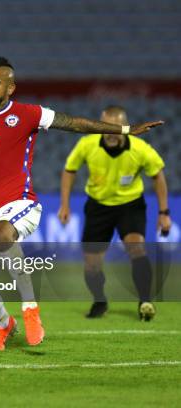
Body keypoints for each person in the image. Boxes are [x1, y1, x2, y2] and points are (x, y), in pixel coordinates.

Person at [0, 57, 162, 352]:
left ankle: (30, 309)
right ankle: (5, 325)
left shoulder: (29, 114)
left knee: (2, 232)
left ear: (10, 88)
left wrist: (126, 131)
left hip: (21, 203)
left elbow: (74, 123)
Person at [57, 105, 170, 321]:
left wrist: (164, 212)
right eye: (106, 126)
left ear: (124, 127)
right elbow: (69, 170)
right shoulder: (87, 144)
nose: (109, 131)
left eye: (115, 127)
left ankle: (145, 301)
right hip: (98, 206)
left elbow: (158, 175)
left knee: (136, 248)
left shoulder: (140, 149)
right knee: (91, 264)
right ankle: (100, 301)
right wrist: (65, 205)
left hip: (130, 205)